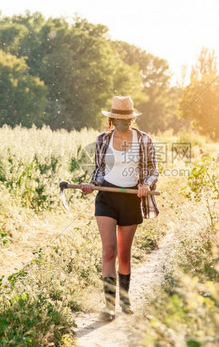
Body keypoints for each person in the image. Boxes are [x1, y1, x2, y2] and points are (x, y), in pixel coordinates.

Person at [81, 95, 159, 321]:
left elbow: (154, 169)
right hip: (107, 197)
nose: (122, 123)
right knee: (109, 252)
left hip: (131, 198)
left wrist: (146, 184)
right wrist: (91, 185)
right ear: (112, 119)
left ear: (132, 119)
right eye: (117, 119)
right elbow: (98, 171)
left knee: (124, 254)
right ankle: (108, 306)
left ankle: (124, 300)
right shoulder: (103, 139)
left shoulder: (143, 140)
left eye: (126, 119)